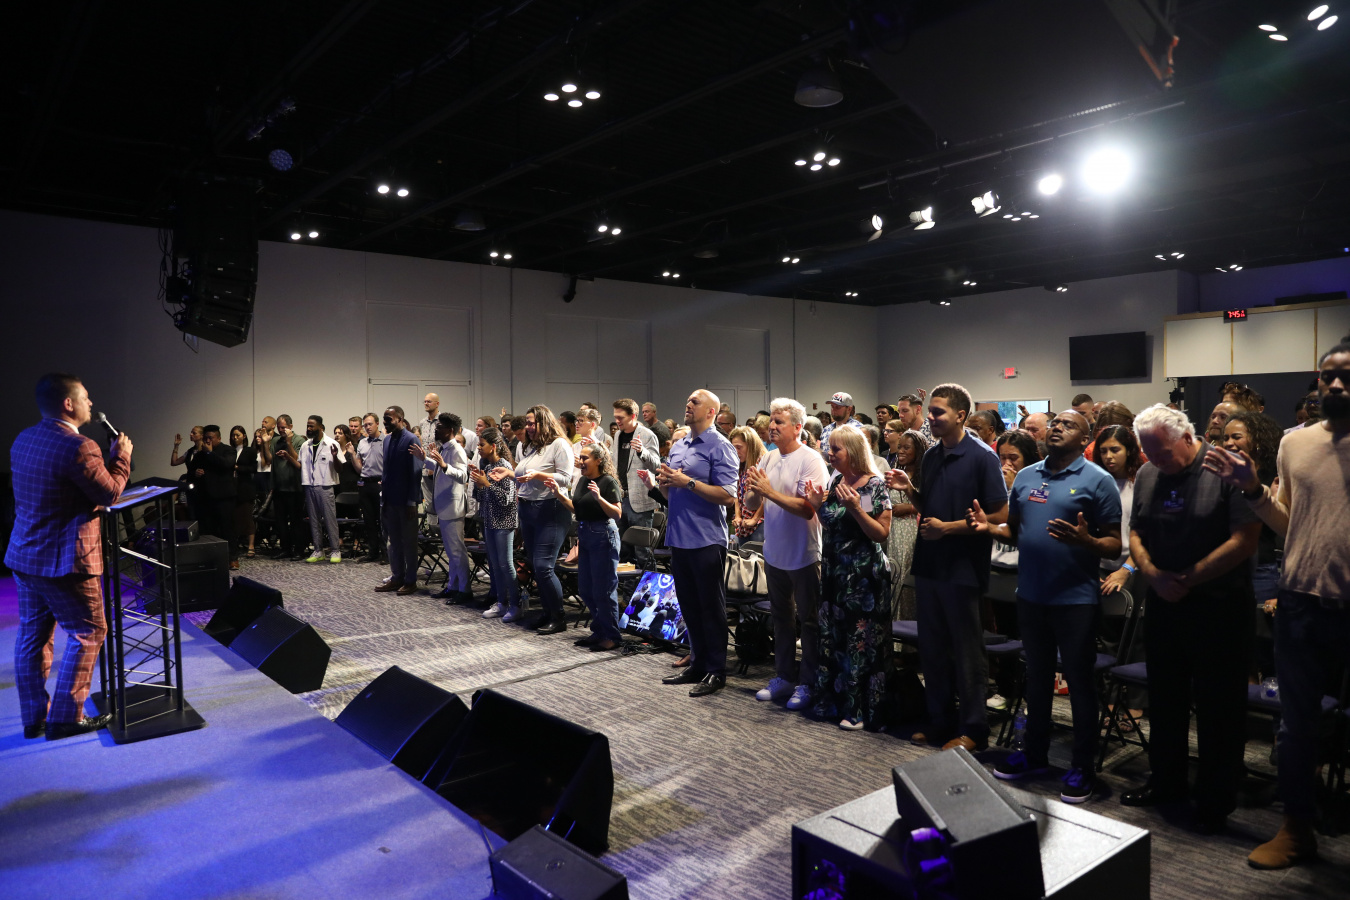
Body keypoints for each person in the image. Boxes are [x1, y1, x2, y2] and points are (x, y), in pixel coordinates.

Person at [1203, 339, 1350, 868]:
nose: (1336, 384)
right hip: (1301, 601)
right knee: (1296, 724)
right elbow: (1288, 524)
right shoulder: (1295, 443)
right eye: (1328, 376)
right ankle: (1296, 828)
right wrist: (1252, 490)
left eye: (1347, 375)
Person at [969, 411, 1122, 803]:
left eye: (1068, 425)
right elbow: (1014, 531)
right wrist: (989, 527)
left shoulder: (1098, 480)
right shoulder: (1026, 476)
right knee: (1036, 679)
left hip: (1076, 601)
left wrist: (1087, 541)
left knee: (1080, 684)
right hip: (1031, 596)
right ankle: (1034, 754)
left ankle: (1082, 767)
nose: (1057, 428)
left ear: (1086, 437)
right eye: (1055, 424)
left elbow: (1114, 544)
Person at [1121, 404, 1260, 833]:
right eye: (1148, 453)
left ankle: (1215, 799)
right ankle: (1167, 783)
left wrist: (1187, 579)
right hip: (1165, 603)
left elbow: (1245, 540)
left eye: (1162, 452)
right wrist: (1152, 574)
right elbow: (1137, 532)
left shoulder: (1225, 470)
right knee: (1165, 701)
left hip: (1220, 607)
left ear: (1187, 437)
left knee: (1219, 709)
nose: (1155, 461)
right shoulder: (1149, 473)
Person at [886, 383, 1008, 752]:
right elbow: (930, 508)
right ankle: (939, 721)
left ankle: (974, 730)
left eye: (938, 412)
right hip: (930, 563)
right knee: (933, 648)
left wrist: (949, 528)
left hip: (963, 567)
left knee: (967, 652)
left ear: (960, 415)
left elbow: (1000, 514)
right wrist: (910, 489)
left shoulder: (982, 457)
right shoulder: (931, 456)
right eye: (931, 411)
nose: (932, 417)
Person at [9, 373, 130, 739]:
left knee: (32, 637)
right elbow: (109, 494)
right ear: (68, 403)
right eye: (85, 397)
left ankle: (35, 718)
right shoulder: (79, 446)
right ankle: (65, 717)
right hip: (66, 561)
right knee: (89, 632)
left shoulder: (24, 439)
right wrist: (121, 457)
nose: (90, 403)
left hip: (26, 557)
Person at [805, 425, 893, 730]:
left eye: (836, 449)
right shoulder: (837, 481)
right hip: (834, 574)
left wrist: (856, 508)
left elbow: (880, 533)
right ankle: (832, 702)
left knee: (859, 642)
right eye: (829, 448)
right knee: (834, 638)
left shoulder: (874, 485)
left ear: (853, 452)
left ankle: (858, 710)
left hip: (863, 578)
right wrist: (816, 506)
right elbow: (832, 525)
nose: (829, 454)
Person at [746, 398, 831, 710]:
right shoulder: (769, 457)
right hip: (774, 553)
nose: (772, 426)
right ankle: (784, 676)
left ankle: (808, 682)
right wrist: (753, 490)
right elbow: (753, 503)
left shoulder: (811, 460)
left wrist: (768, 491)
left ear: (797, 427)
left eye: (779, 422)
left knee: (809, 622)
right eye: (771, 421)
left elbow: (808, 509)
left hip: (804, 554)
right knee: (781, 619)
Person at [658, 389, 739, 698]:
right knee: (689, 606)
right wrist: (664, 484)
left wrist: (688, 482)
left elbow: (728, 496)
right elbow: (671, 494)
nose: (688, 404)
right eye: (688, 400)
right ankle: (698, 663)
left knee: (710, 608)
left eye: (695, 402)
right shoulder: (679, 445)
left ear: (711, 412)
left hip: (706, 539)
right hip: (678, 537)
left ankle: (716, 671)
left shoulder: (721, 446)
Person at [549, 444, 624, 651]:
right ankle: (599, 631)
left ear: (598, 460)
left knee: (603, 589)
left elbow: (617, 514)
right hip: (585, 534)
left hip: (603, 535)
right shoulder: (583, 480)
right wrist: (558, 494)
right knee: (586, 589)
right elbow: (577, 508)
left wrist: (600, 498)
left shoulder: (608, 482)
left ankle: (612, 635)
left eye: (585, 458)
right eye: (580, 457)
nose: (580, 461)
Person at [514, 405, 576, 635]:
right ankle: (547, 612)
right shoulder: (531, 447)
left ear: (545, 423)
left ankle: (558, 617)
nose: (528, 427)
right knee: (535, 565)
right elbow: (523, 473)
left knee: (543, 566)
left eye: (532, 423)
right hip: (529, 509)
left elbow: (566, 478)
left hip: (551, 509)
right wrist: (509, 474)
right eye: (527, 423)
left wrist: (540, 475)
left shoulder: (559, 445)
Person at [414, 413, 472, 604]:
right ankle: (453, 587)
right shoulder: (445, 447)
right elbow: (441, 468)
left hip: (453, 507)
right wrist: (425, 459)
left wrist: (444, 464)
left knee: (457, 551)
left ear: (450, 430)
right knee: (451, 551)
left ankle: (465, 590)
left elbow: (463, 476)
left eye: (439, 427)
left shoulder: (457, 450)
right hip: (445, 506)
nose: (435, 430)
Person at [606, 399, 662, 569]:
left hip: (640, 501)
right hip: (620, 498)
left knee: (643, 553)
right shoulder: (618, 435)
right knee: (623, 551)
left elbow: (657, 466)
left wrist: (642, 451)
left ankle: (649, 586)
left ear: (633, 416)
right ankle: (629, 586)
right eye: (615, 417)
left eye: (621, 417)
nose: (617, 421)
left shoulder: (647, 435)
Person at [471, 427, 520, 620]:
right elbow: (481, 497)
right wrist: (478, 483)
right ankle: (501, 603)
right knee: (494, 565)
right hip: (490, 520)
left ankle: (515, 605)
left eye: (481, 445)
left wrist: (487, 484)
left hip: (504, 522)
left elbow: (507, 499)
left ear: (493, 446)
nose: (478, 448)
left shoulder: (504, 465)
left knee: (505, 565)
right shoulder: (487, 465)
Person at [375, 406, 423, 595]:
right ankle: (397, 577)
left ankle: (411, 581)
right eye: (384, 418)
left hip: (406, 502)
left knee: (409, 543)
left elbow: (416, 472)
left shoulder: (411, 439)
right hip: (390, 500)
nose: (385, 422)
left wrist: (412, 501)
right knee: (394, 542)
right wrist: (384, 499)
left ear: (400, 419)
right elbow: (386, 471)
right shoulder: (387, 440)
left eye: (389, 419)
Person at [883, 427, 924, 619]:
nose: (901, 451)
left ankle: (910, 623)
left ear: (918, 450)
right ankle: (896, 625)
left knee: (909, 577)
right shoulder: (895, 473)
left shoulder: (924, 477)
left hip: (913, 531)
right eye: (899, 447)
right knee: (895, 576)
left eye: (907, 448)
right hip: (895, 532)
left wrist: (909, 508)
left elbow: (931, 505)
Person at [195, 425, 239, 568]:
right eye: (205, 438)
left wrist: (210, 453)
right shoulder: (200, 454)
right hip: (206, 497)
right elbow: (191, 471)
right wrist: (196, 473)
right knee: (208, 529)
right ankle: (211, 559)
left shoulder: (228, 450)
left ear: (218, 438)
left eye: (211, 438)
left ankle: (232, 558)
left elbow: (227, 464)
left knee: (227, 528)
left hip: (224, 496)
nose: (207, 441)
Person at [300, 416, 342, 563]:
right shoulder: (305, 445)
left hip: (325, 486)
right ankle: (318, 550)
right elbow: (301, 465)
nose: (309, 428)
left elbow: (340, 469)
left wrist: (335, 457)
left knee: (330, 519)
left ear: (321, 427)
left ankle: (335, 550)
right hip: (309, 485)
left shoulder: (332, 444)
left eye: (312, 426)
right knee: (314, 520)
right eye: (308, 426)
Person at [270, 415, 307, 560]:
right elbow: (269, 459)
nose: (281, 430)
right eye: (279, 427)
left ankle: (299, 550)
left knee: (296, 521)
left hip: (294, 487)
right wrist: (265, 444)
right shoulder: (275, 441)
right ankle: (285, 549)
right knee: (281, 522)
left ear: (291, 427)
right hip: (279, 487)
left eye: (284, 427)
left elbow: (298, 460)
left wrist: (289, 443)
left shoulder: (299, 440)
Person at [354, 413, 385, 563]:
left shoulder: (386, 441)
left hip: (380, 483)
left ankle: (386, 553)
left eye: (370, 424)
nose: (367, 427)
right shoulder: (362, 442)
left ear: (377, 424)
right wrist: (352, 455)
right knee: (369, 520)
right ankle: (373, 552)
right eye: (365, 425)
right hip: (365, 483)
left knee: (382, 520)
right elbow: (359, 466)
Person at [729, 426, 766, 548]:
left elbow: (767, 496)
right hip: (744, 522)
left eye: (739, 447)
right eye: (733, 448)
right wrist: (738, 515)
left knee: (757, 557)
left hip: (760, 522)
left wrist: (755, 519)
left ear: (750, 446)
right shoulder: (739, 465)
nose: (735, 451)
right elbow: (736, 492)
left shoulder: (762, 463)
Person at [229, 425, 258, 560]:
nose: (235, 438)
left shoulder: (249, 451)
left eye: (238, 435)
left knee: (247, 517)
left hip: (245, 487)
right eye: (233, 435)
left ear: (244, 436)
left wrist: (237, 467)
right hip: (231, 487)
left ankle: (251, 545)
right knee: (233, 518)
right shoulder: (229, 451)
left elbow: (253, 468)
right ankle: (235, 545)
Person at [170, 425, 206, 521]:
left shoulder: (206, 450)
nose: (191, 434)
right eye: (191, 432)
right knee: (191, 516)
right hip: (191, 487)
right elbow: (174, 462)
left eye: (194, 433)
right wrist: (176, 446)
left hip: (202, 487)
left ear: (202, 436)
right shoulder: (190, 451)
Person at [418, 393, 441, 525]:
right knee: (429, 502)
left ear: (437, 404)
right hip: (425, 467)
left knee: (439, 500)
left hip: (438, 466)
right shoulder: (423, 423)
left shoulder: (442, 422)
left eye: (429, 401)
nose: (426, 404)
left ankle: (441, 530)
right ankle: (432, 530)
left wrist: (436, 464)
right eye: (425, 401)